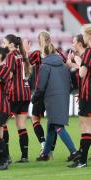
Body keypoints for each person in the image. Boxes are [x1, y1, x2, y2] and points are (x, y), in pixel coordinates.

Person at [32, 31, 78, 162]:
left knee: (58, 126)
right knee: (51, 126)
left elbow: (41, 86)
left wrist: (34, 98)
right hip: (63, 97)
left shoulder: (45, 66)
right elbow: (69, 83)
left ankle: (74, 152)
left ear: (44, 53)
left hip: (51, 98)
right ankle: (45, 154)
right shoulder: (63, 65)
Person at [2, 34, 31, 162]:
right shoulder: (22, 54)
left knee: (2, 123)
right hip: (25, 93)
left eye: (4, 42)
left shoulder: (10, 56)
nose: (3, 45)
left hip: (15, 94)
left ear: (11, 44)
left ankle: (5, 156)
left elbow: (9, 75)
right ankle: (24, 156)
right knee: (21, 125)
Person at [68, 24, 91, 168]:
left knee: (85, 126)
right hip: (86, 93)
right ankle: (82, 157)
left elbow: (83, 73)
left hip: (88, 94)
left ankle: (82, 159)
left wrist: (76, 60)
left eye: (83, 34)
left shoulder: (89, 51)